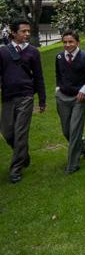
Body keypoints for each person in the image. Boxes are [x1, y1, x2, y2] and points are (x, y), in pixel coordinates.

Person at [0, 17, 46, 183]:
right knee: (7, 132)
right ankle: (23, 154)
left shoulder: (33, 52)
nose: (27, 34)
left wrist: (42, 100)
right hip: (7, 97)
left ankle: (16, 169)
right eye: (23, 31)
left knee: (20, 133)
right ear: (13, 32)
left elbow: (39, 77)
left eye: (28, 31)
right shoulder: (3, 52)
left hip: (26, 97)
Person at [55, 30, 85, 174]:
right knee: (66, 131)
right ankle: (84, 143)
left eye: (70, 42)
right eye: (64, 42)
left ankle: (72, 164)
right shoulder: (58, 57)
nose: (67, 45)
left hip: (79, 98)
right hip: (62, 97)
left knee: (75, 130)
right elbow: (58, 74)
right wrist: (58, 89)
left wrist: (84, 89)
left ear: (77, 42)